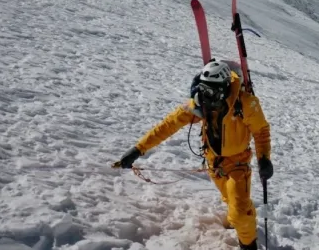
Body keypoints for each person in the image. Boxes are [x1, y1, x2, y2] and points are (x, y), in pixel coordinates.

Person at [113, 59, 272, 250]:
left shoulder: (245, 104)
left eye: (211, 93)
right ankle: (236, 219)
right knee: (231, 200)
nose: (207, 98)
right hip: (214, 163)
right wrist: (138, 149)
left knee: (240, 210)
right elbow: (168, 125)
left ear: (223, 89)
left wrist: (264, 158)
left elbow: (261, 131)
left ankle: (248, 244)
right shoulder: (200, 104)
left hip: (238, 163)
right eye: (204, 92)